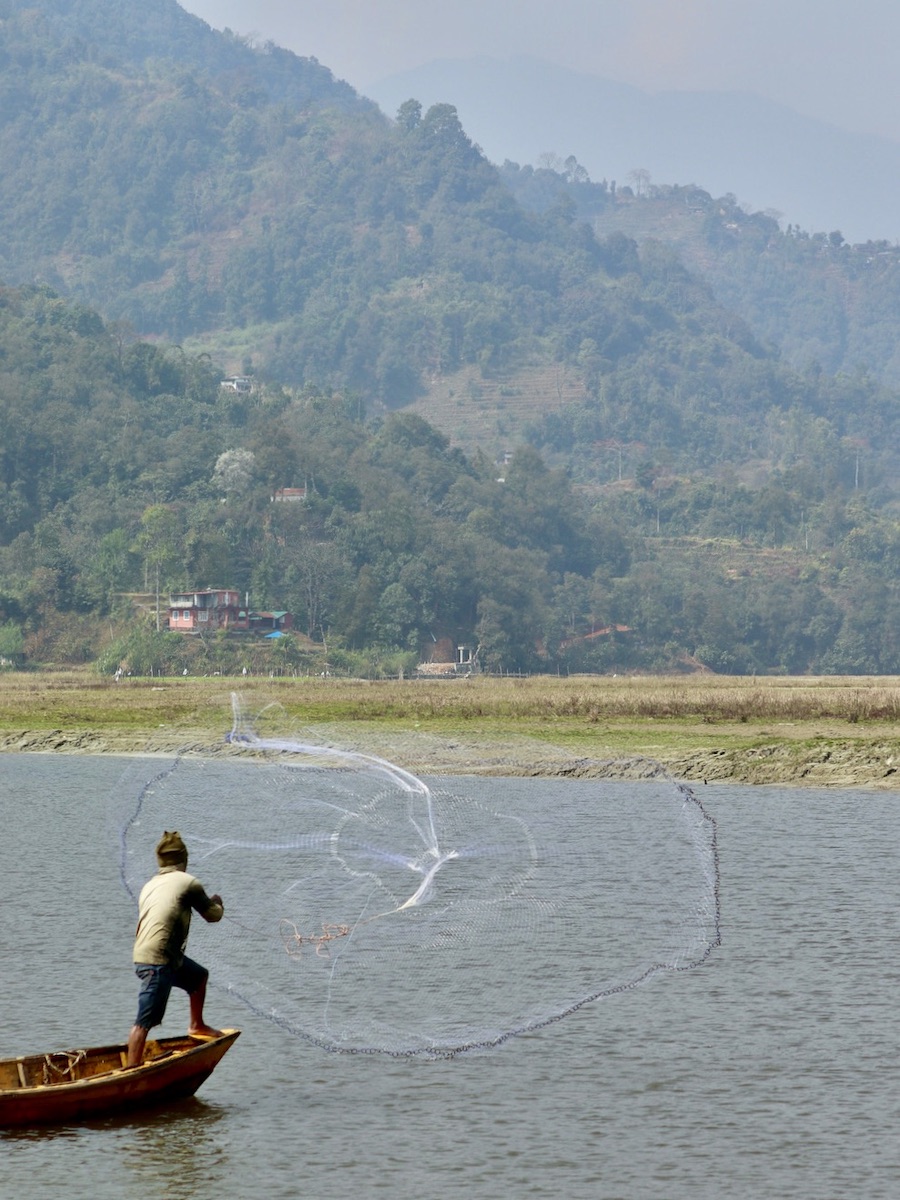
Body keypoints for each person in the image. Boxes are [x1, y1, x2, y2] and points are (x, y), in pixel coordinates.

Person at [126, 830, 225, 1067]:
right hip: (158, 962)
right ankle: (131, 1072)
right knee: (143, 1022)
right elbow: (213, 916)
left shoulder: (150, 884)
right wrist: (218, 903)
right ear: (183, 859)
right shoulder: (188, 882)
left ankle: (196, 1025)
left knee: (198, 977)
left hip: (152, 956)